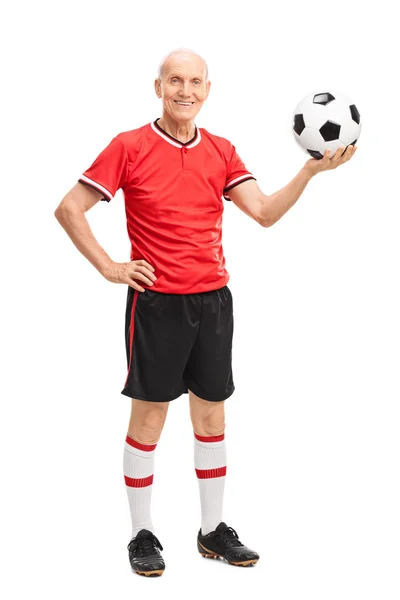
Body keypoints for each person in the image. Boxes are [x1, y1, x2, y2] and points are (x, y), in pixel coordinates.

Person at [54, 47, 357, 578]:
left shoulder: (221, 150)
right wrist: (109, 266)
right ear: (158, 88)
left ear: (208, 90)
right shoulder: (129, 146)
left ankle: (212, 531)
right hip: (157, 306)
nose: (185, 91)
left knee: (212, 415)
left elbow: (262, 212)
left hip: (214, 302)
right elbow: (69, 207)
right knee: (150, 418)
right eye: (175, 80)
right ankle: (142, 534)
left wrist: (308, 172)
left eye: (195, 81)